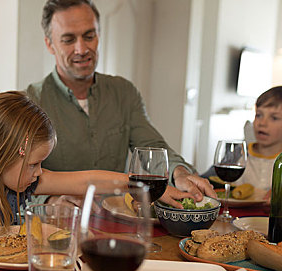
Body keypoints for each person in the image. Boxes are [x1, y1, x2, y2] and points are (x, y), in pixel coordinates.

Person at [0, 91, 191, 255]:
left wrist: (141, 185)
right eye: (35, 164)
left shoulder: (24, 183)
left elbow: (87, 180)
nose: (39, 173)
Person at [26, 0, 215, 203]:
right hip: (56, 226)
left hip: (118, 220)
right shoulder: (30, 102)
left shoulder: (124, 92)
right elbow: (16, 181)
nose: (81, 49)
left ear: (99, 35)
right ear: (50, 44)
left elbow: (151, 146)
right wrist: (49, 202)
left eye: (89, 36)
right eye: (68, 39)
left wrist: (178, 173)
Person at [203, 85, 282, 199]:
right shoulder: (238, 153)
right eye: (259, 115)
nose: (262, 123)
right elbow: (208, 179)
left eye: (274, 118)